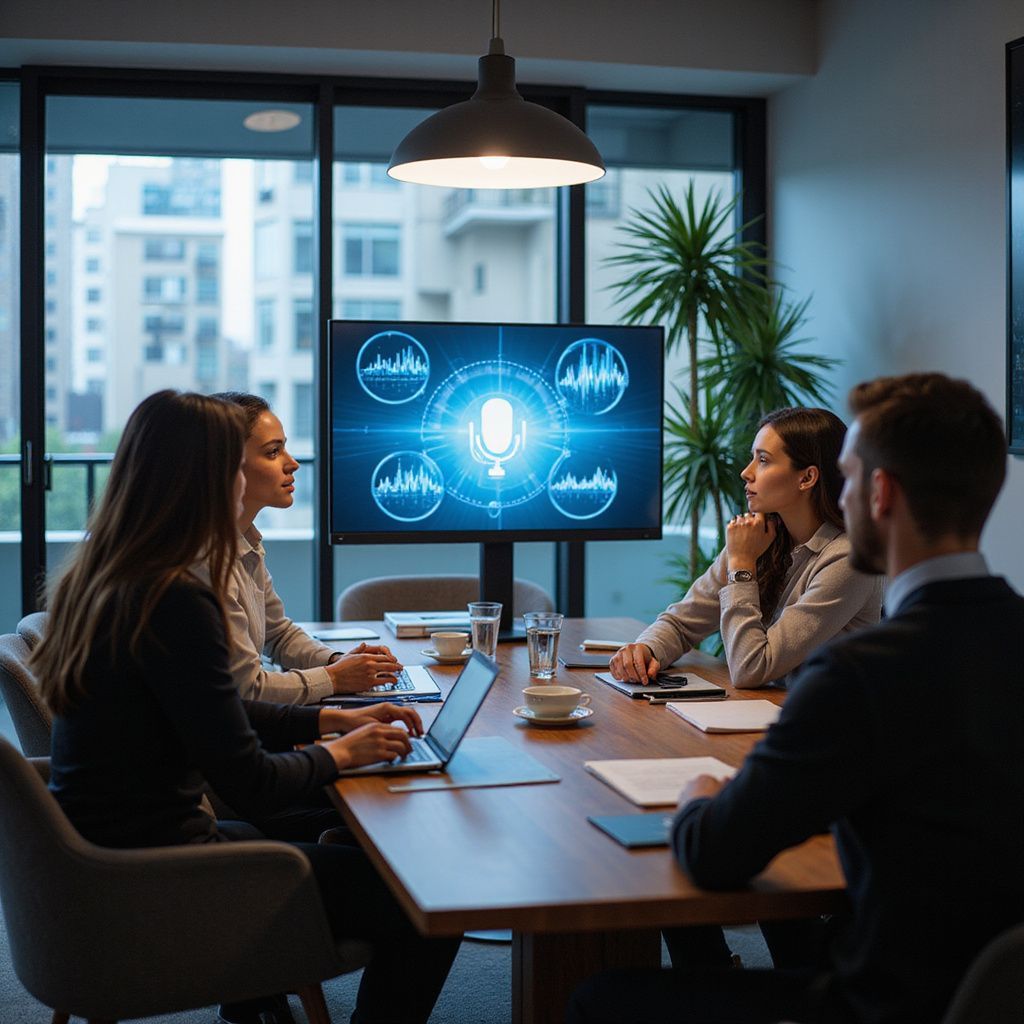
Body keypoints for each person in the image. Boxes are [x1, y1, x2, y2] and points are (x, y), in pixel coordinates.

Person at [568, 372, 1024, 1024]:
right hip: (992, 991)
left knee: (598, 1000)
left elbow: (715, 853)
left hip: (880, 1000)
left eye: (846, 473)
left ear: (880, 492)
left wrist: (701, 794)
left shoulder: (856, 675)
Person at [31, 391, 459, 1024]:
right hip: (170, 879)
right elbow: (250, 782)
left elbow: (210, 710)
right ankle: (262, 982)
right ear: (203, 478)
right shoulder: (177, 598)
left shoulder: (118, 578)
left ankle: (255, 998)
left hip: (114, 854)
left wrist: (324, 719)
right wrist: (339, 753)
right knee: (429, 891)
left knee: (365, 839)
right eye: (236, 465)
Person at [612, 407, 882, 690]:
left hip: (830, 727)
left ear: (807, 478)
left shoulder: (848, 560)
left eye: (763, 460)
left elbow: (751, 668)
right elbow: (681, 623)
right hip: (770, 713)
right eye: (752, 458)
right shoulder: (759, 536)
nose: (746, 472)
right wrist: (647, 650)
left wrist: (741, 564)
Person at [199, 391, 402, 705]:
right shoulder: (206, 561)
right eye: (273, 452)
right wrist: (335, 678)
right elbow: (246, 690)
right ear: (227, 465)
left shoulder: (245, 540)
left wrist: (335, 660)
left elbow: (277, 634)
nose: (292, 463)